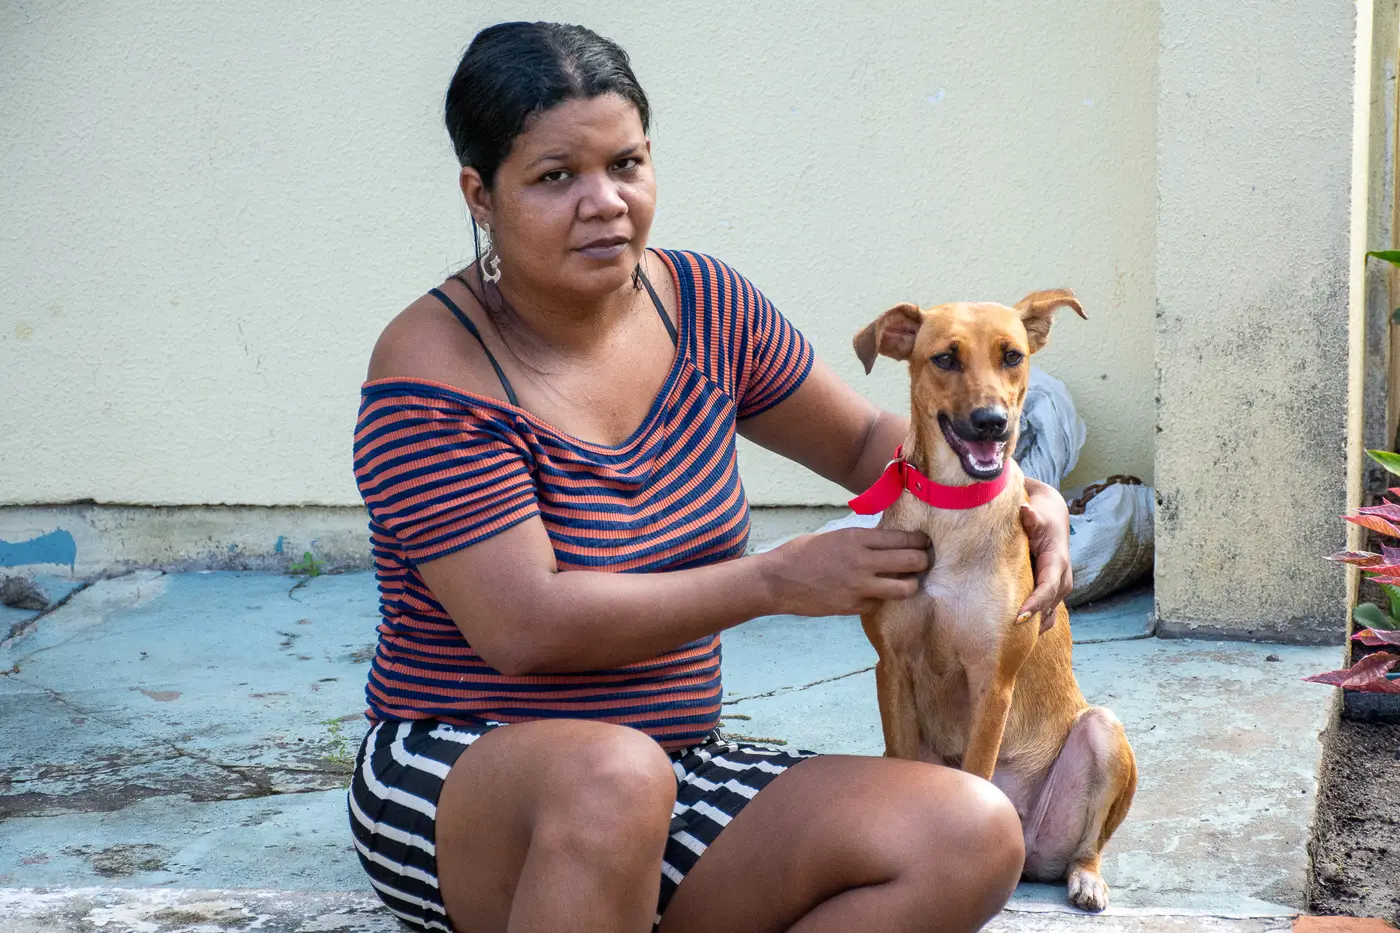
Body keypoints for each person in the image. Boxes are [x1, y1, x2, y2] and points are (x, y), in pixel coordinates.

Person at [348, 21, 1074, 933]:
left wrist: (1019, 492)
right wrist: (772, 581)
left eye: (626, 164)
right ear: (480, 194)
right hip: (460, 764)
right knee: (614, 776)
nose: (605, 202)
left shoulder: (703, 304)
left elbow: (868, 443)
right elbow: (525, 625)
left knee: (970, 830)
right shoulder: (433, 366)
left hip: (677, 764)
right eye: (556, 176)